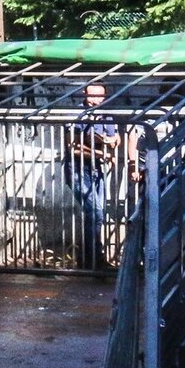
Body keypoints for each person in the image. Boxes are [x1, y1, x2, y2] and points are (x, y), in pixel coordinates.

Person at [64, 83, 121, 269]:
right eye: (92, 96)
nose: (96, 100)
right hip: (78, 169)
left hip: (97, 170)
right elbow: (72, 146)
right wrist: (101, 154)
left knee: (96, 214)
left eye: (100, 96)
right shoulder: (77, 115)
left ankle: (88, 258)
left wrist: (113, 141)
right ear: (84, 94)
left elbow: (116, 136)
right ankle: (94, 258)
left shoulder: (107, 114)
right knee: (95, 212)